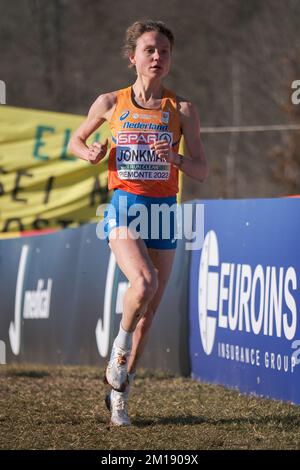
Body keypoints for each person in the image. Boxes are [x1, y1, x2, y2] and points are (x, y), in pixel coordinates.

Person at [68, 19, 208, 426]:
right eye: (149, 50)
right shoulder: (111, 102)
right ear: (132, 58)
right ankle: (118, 350)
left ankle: (120, 395)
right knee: (143, 283)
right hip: (125, 205)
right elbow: (76, 140)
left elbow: (201, 170)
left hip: (165, 209)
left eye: (164, 51)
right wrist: (89, 152)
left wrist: (175, 158)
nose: (157, 57)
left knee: (149, 314)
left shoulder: (182, 110)